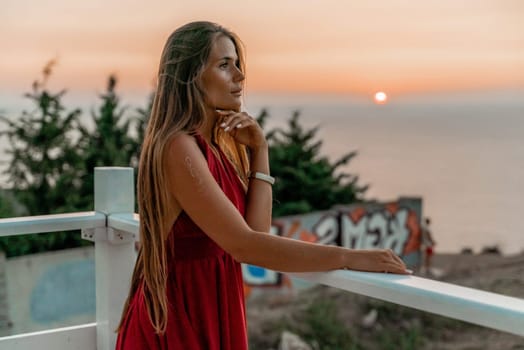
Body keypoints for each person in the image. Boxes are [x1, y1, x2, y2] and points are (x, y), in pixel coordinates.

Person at [115, 21, 410, 349]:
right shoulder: (179, 148)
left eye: (237, 64)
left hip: (211, 305)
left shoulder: (214, 149)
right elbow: (246, 246)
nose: (240, 76)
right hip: (179, 317)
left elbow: (256, 231)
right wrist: (350, 257)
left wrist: (260, 150)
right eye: (225, 65)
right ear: (191, 76)